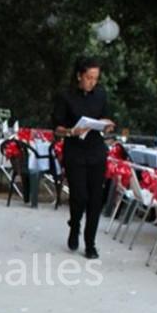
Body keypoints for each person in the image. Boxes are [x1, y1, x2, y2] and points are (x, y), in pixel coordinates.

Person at [52, 56, 114, 259]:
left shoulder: (101, 94)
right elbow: (57, 128)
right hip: (75, 152)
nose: (92, 82)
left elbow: (106, 118)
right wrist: (71, 131)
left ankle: (90, 244)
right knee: (79, 196)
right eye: (89, 78)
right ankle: (75, 224)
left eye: (95, 78)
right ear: (79, 76)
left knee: (95, 199)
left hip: (96, 151)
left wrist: (107, 125)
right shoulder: (65, 96)